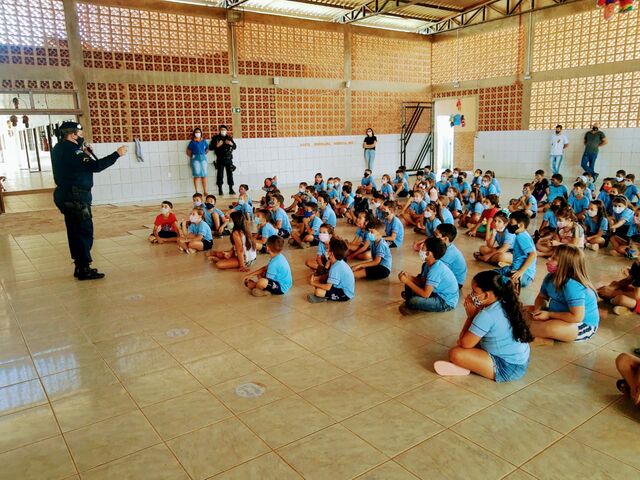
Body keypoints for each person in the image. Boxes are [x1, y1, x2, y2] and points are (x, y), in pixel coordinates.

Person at [52, 121, 127, 280]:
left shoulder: (59, 148)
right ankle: (84, 268)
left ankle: (80, 266)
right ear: (72, 134)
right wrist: (117, 154)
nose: (81, 137)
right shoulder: (72, 151)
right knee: (84, 231)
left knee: (74, 231)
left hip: (67, 194)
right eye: (80, 134)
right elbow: (96, 166)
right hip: (76, 196)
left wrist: (84, 152)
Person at [434, 271, 532, 382]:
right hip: (520, 360)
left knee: (456, 353)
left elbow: (463, 343)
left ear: (486, 295)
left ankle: (467, 366)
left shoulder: (486, 315)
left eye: (474, 292)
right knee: (473, 340)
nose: (471, 295)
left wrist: (471, 317)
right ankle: (473, 365)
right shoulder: (505, 301)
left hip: (508, 367)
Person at [527, 244, 599, 343]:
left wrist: (549, 315)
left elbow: (576, 317)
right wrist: (538, 310)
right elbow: (541, 297)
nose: (548, 259)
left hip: (580, 325)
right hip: (557, 315)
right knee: (522, 310)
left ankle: (530, 332)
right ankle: (542, 338)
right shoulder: (550, 277)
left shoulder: (572, 285)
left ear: (566, 265)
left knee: (550, 328)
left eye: (553, 258)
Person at [398, 236, 459, 315]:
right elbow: (423, 282)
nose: (420, 247)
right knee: (409, 285)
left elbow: (425, 294)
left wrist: (407, 281)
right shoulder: (428, 264)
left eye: (423, 246)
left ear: (428, 253)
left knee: (414, 301)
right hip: (435, 292)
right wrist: (409, 277)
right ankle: (411, 300)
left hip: (445, 301)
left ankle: (411, 301)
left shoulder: (436, 270)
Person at [308, 238, 356, 303]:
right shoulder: (338, 262)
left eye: (328, 249)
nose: (326, 250)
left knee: (318, 291)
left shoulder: (336, 268)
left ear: (332, 254)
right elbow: (329, 275)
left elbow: (327, 287)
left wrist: (313, 283)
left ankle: (324, 298)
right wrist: (317, 278)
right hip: (341, 287)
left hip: (345, 294)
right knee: (321, 281)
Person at [498, 211, 537, 290]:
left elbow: (533, 254)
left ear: (521, 225)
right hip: (522, 273)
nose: (509, 225)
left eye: (511, 223)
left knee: (494, 279)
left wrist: (521, 271)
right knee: (497, 273)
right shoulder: (523, 234)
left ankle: (514, 284)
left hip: (522, 275)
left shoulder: (521, 236)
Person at [435, 224, 467, 288]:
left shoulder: (449, 253)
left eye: (436, 235)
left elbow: (437, 270)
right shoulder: (443, 246)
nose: (433, 237)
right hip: (448, 275)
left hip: (456, 282)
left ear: (445, 239)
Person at [209, 125, 237, 196]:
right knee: (220, 175)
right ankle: (220, 190)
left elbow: (235, 147)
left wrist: (231, 143)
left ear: (226, 130)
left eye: (224, 129)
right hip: (220, 159)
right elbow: (210, 147)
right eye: (222, 129)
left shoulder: (229, 138)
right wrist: (217, 145)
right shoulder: (216, 138)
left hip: (228, 158)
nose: (223, 130)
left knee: (230, 174)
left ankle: (231, 189)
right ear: (219, 130)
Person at [186, 127, 209, 195]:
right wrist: (193, 156)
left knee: (204, 175)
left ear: (201, 133)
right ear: (194, 134)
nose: (197, 133)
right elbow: (188, 151)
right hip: (195, 159)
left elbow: (207, 149)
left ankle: (205, 191)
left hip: (203, 159)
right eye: (196, 132)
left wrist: (204, 154)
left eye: (199, 132)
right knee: (197, 175)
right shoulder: (192, 142)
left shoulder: (204, 141)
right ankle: (196, 191)